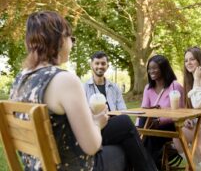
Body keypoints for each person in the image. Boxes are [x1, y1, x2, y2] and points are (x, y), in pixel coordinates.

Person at [9, 11, 157, 171]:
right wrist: (97, 123)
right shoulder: (65, 80)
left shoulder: (20, 81)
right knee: (125, 147)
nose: (72, 44)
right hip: (70, 166)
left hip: (39, 165)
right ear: (59, 40)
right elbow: (91, 146)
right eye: (70, 38)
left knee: (123, 123)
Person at [138, 54, 184, 169]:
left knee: (148, 139)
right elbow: (143, 110)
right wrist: (137, 128)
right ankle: (151, 166)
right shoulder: (148, 88)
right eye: (149, 68)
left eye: (154, 68)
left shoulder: (175, 86)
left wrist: (160, 120)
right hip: (150, 126)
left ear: (163, 68)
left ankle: (146, 166)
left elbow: (182, 112)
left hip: (170, 126)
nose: (151, 71)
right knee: (142, 133)